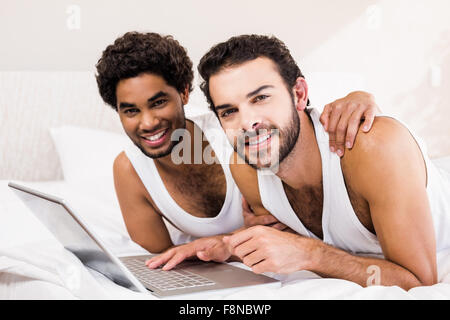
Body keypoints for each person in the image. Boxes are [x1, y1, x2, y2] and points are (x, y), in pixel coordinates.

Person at [95, 32, 380, 270]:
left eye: (158, 103)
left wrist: (360, 98)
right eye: (130, 110)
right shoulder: (130, 171)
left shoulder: (236, 130)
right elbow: (165, 263)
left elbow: (298, 126)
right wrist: (236, 239)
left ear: (183, 93)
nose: (148, 122)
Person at [187, 34, 450, 290]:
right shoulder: (244, 168)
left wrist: (312, 254)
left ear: (300, 94)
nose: (247, 123)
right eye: (229, 111)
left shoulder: (374, 147)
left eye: (261, 98)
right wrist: (227, 245)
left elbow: (418, 283)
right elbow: (286, 243)